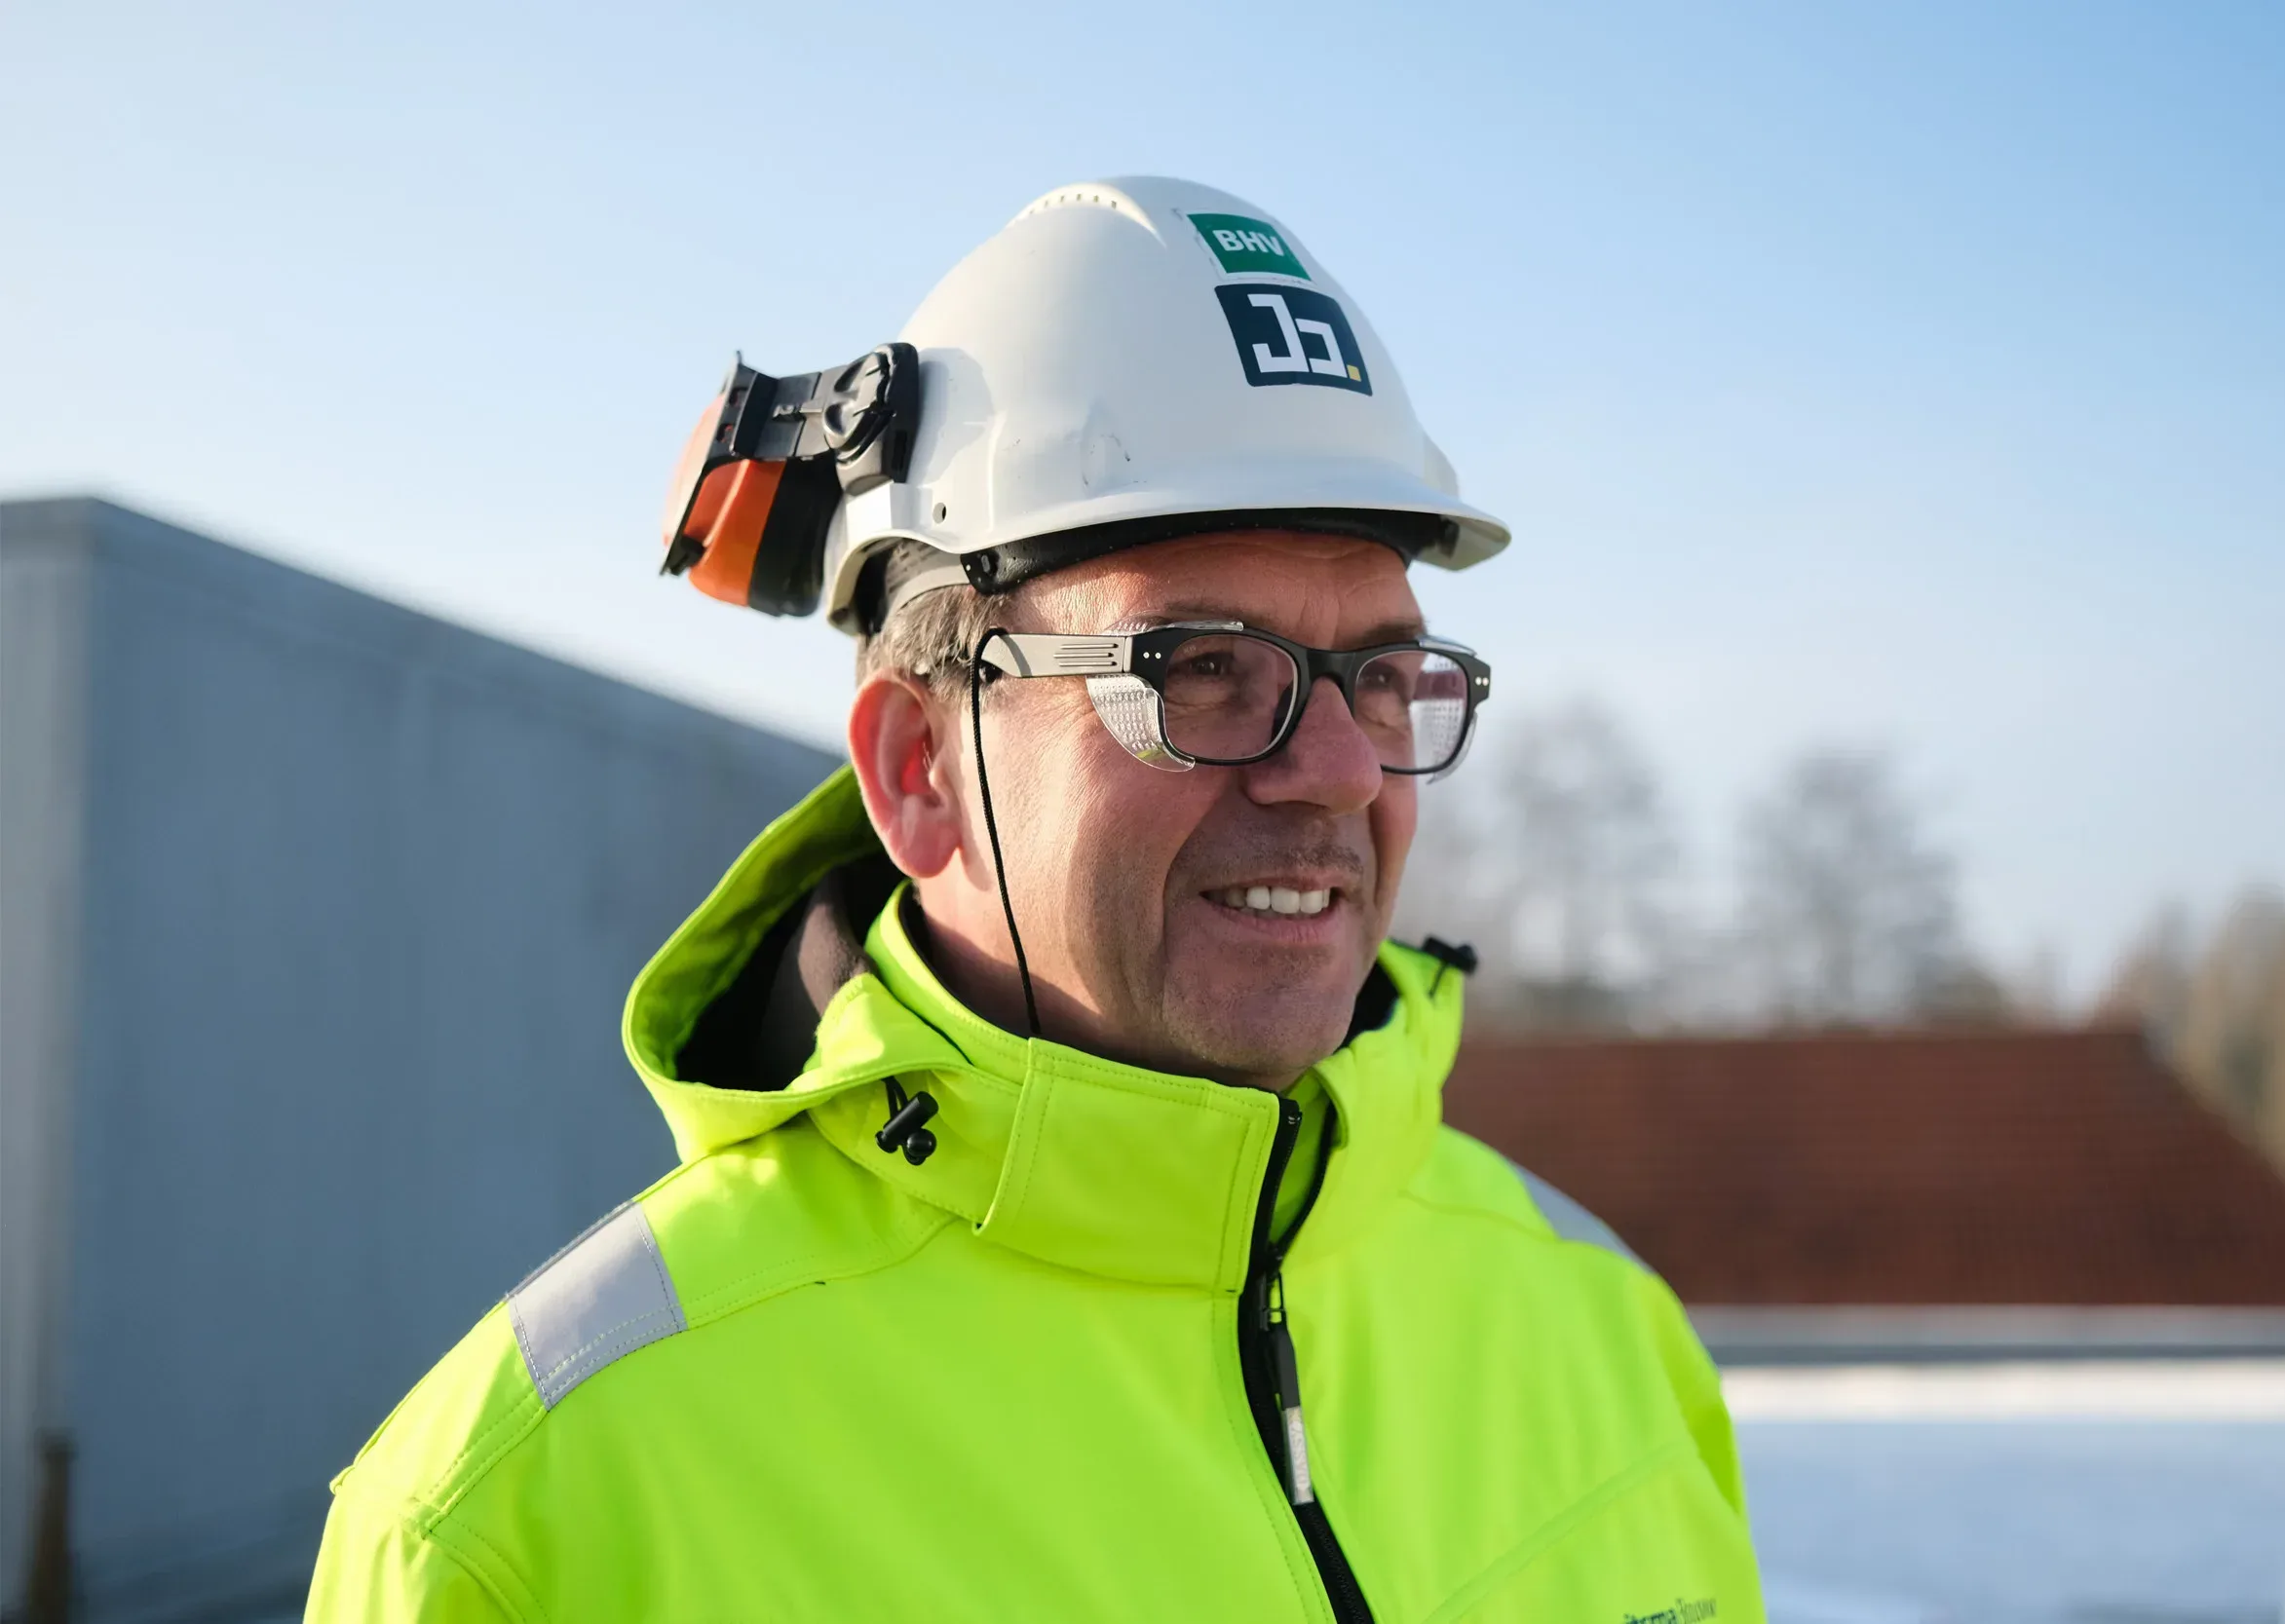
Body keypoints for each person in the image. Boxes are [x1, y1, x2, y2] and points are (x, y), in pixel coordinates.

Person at [305, 176, 1764, 1621]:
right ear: (919, 769)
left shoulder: (1607, 1336)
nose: (1333, 770)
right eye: (1202, 667)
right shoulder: (528, 1513)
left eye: (1381, 677)